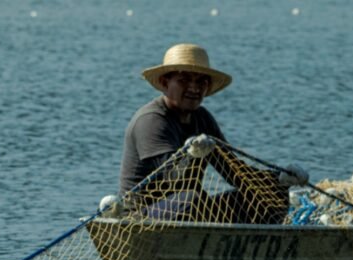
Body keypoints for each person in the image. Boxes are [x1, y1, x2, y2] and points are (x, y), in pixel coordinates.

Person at [117, 43, 306, 223]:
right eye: (184, 80)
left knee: (271, 194)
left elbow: (234, 172)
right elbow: (171, 176)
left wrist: (278, 179)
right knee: (192, 199)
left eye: (201, 81)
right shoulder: (152, 120)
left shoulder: (203, 119)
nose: (194, 88)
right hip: (142, 216)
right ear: (165, 83)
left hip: (189, 208)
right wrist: (191, 156)